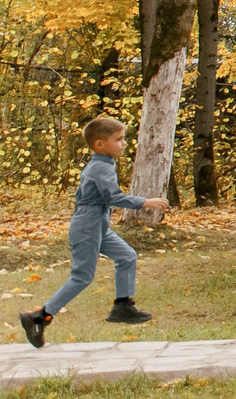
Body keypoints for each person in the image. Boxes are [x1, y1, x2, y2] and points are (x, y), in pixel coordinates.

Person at [20, 114, 165, 347]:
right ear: (100, 144)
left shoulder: (104, 164)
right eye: (119, 139)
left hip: (97, 223)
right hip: (88, 224)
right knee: (82, 277)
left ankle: (122, 306)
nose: (124, 143)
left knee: (127, 256)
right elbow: (113, 196)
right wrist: (145, 202)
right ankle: (39, 316)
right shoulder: (100, 167)